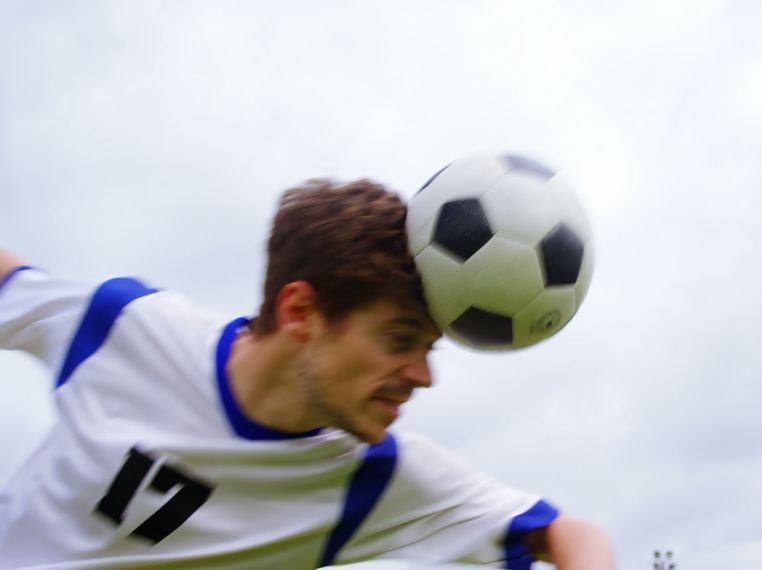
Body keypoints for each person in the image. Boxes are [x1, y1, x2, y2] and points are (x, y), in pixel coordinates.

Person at [0, 178, 614, 569]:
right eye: (399, 341)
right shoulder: (126, 324)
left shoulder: (375, 478)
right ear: (301, 311)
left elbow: (563, 533)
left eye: (429, 348)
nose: (422, 376)